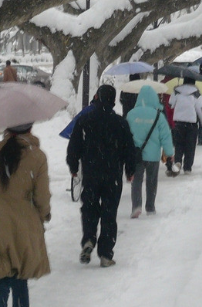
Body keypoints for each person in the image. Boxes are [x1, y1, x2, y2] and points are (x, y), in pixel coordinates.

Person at [0, 123, 51, 307]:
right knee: (20, 278)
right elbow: (42, 197)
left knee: (0, 281)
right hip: (24, 222)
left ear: (8, 128)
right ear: (30, 129)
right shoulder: (37, 156)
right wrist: (44, 214)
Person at [66, 84, 136, 268]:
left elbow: (74, 146)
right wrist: (130, 170)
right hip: (112, 174)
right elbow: (129, 148)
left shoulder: (85, 120)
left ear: (97, 98)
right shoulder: (120, 123)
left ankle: (89, 237)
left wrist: (73, 166)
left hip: (91, 172)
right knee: (109, 212)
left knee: (89, 208)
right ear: (114, 101)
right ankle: (105, 253)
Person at [126, 86, 174, 218]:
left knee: (136, 181)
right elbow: (166, 135)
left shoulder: (131, 114)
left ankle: (136, 206)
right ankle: (150, 206)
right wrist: (169, 153)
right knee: (152, 181)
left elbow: (126, 134)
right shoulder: (158, 115)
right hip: (153, 156)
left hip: (137, 155)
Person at [168, 76, 202, 174]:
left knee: (179, 145)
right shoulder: (196, 93)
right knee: (190, 146)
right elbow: (200, 110)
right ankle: (187, 167)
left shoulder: (176, 91)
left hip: (178, 123)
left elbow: (170, 104)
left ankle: (177, 161)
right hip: (191, 124)